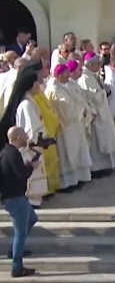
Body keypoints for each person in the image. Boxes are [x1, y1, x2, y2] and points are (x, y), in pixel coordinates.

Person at [0, 60, 57, 207]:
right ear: (31, 84)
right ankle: (31, 201)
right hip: (30, 149)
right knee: (32, 176)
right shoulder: (26, 105)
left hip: (35, 147)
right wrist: (41, 140)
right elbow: (30, 129)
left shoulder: (31, 101)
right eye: (37, 82)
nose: (39, 84)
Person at [45, 64, 92, 189]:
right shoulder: (54, 89)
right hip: (64, 127)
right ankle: (66, 183)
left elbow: (77, 100)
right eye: (66, 74)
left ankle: (78, 178)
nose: (68, 76)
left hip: (75, 124)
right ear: (59, 76)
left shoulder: (66, 85)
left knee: (77, 152)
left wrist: (82, 107)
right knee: (65, 154)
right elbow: (66, 107)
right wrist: (80, 108)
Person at [0, 126, 39, 277]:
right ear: (17, 137)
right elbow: (21, 175)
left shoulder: (6, 152)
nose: (26, 137)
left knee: (32, 218)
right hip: (15, 199)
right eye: (24, 135)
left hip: (14, 197)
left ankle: (15, 250)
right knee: (20, 233)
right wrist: (31, 167)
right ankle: (17, 268)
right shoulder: (12, 154)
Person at [78, 52, 115, 177]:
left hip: (103, 112)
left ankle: (106, 166)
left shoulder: (93, 76)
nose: (99, 66)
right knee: (96, 143)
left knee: (104, 140)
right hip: (96, 114)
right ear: (91, 65)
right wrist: (103, 92)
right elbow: (93, 96)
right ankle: (97, 168)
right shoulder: (85, 78)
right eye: (97, 63)